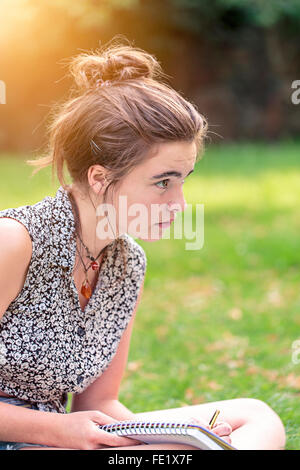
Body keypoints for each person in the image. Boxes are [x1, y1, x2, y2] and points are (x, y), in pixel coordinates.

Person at [0, 38, 285, 450]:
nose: (180, 204)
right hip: (34, 438)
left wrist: (168, 438)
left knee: (255, 417)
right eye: (162, 182)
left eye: (183, 180)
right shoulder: (14, 241)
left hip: (64, 438)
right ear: (99, 178)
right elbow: (72, 424)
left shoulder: (127, 261)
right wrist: (56, 431)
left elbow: (99, 402)